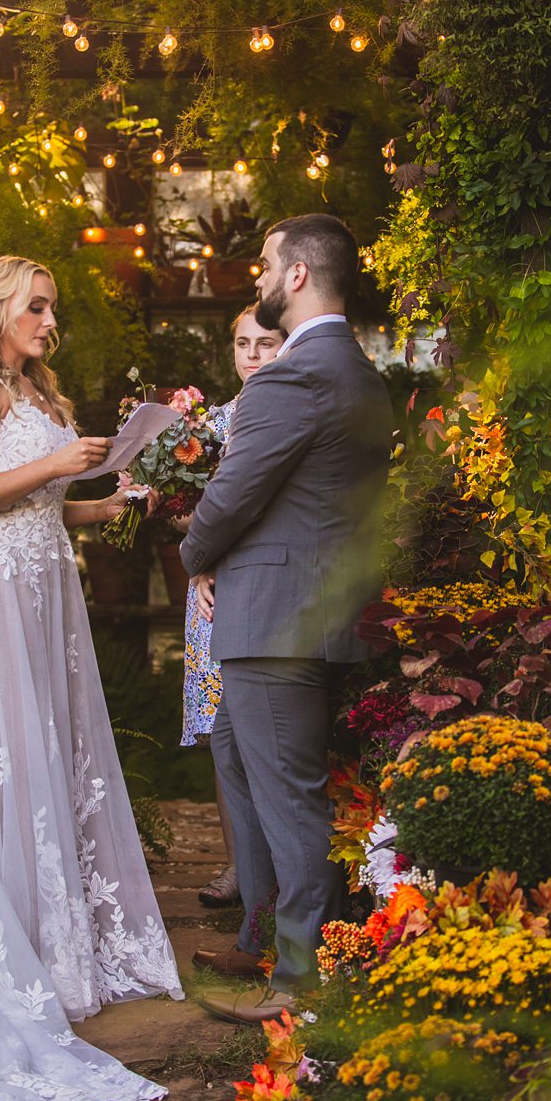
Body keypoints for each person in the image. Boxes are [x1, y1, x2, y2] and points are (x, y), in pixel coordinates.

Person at [0, 255, 183, 1101]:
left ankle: (54, 942)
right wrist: (58, 461)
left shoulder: (34, 387)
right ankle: (4, 949)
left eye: (53, 308)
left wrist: (104, 499)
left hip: (36, 592)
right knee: (0, 761)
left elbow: (39, 506)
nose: (50, 321)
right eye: (37, 305)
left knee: (40, 760)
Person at [181, 214, 394, 1023]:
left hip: (276, 618)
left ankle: (299, 982)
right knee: (254, 763)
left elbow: (233, 494)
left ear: (299, 274)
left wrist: (195, 551)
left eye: (266, 264)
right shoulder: (359, 372)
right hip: (314, 609)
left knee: (293, 798)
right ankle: (270, 936)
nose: (258, 278)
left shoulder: (291, 376)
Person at [180, 308, 286, 909]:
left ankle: (276, 869)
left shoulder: (284, 415)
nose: (250, 354)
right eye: (242, 342)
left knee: (261, 734)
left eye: (264, 343)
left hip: (262, 584)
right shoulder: (209, 424)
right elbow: (187, 505)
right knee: (221, 737)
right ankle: (237, 867)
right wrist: (198, 557)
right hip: (209, 593)